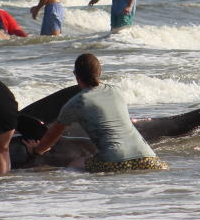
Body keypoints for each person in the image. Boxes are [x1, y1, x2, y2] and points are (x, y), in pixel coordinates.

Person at [25, 53, 167, 172]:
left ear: (75, 75)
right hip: (149, 158)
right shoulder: (116, 91)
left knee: (73, 165)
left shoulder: (76, 103)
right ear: (100, 73)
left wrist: (36, 150)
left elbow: (51, 136)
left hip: (114, 161)